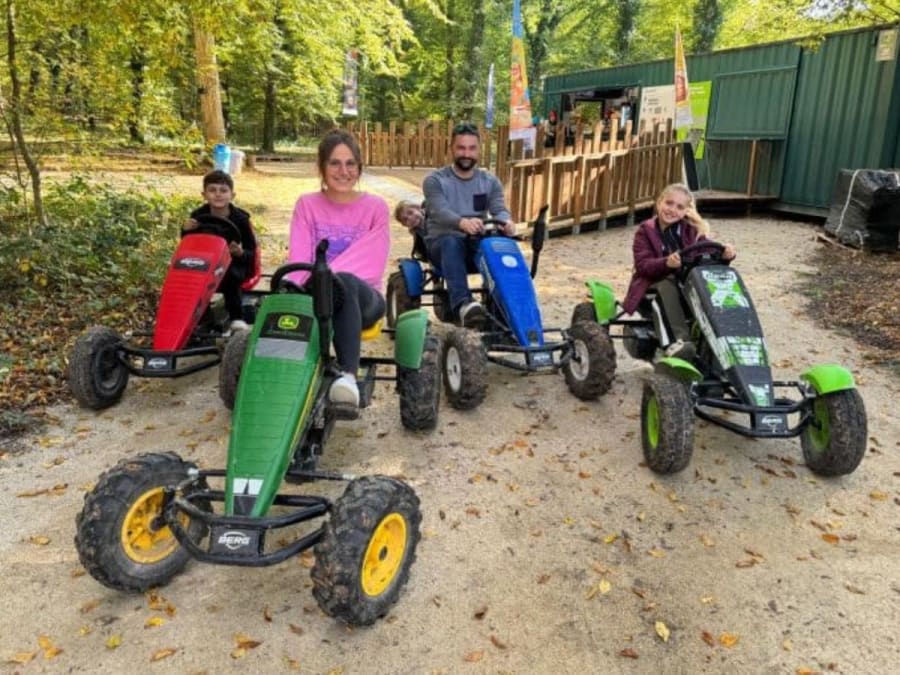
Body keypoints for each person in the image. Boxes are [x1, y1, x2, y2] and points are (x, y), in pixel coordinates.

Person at [287, 129, 390, 410]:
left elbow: (372, 261)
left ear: (359, 168)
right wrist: (296, 289)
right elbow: (298, 255)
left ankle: (347, 375)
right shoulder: (307, 205)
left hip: (364, 297)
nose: (343, 171)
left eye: (350, 164)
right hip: (318, 295)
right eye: (334, 163)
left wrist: (325, 276)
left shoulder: (375, 207)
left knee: (343, 281)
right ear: (321, 167)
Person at [623, 183, 736, 358]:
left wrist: (725, 255)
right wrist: (666, 263)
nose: (672, 210)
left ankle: (727, 338)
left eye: (679, 207)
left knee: (720, 283)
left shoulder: (692, 231)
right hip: (651, 287)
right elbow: (643, 266)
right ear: (659, 202)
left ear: (685, 211)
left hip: (686, 287)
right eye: (669, 203)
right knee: (667, 283)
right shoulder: (646, 231)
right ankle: (678, 342)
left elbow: (706, 252)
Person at [422, 122, 515, 328]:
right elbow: (439, 211)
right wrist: (462, 223)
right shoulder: (435, 180)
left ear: (479, 150)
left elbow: (499, 209)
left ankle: (504, 307)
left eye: (471, 148)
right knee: (451, 242)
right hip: (442, 245)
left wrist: (506, 221)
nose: (466, 153)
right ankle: (463, 305)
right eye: (461, 148)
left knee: (501, 245)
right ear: (451, 149)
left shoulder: (489, 181)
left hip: (475, 243)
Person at [183, 170, 258, 332]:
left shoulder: (240, 219)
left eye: (223, 191)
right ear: (204, 194)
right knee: (190, 275)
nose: (218, 195)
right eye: (212, 190)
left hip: (234, 264)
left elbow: (252, 251)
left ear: (232, 195)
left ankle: (236, 318)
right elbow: (188, 246)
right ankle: (200, 318)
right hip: (205, 264)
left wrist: (240, 252)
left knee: (230, 275)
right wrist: (186, 231)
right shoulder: (198, 216)